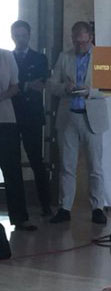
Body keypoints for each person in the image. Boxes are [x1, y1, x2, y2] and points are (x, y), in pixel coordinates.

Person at [48, 21, 109, 224]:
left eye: (82, 42)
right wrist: (65, 88)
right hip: (69, 116)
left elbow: (110, 88)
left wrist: (89, 91)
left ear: (90, 38)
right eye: (75, 41)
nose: (78, 45)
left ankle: (98, 208)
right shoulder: (65, 56)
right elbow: (51, 85)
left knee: (95, 166)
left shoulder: (101, 57)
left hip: (92, 116)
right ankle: (64, 208)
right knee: (66, 166)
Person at [10, 20, 52, 216]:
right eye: (17, 35)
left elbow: (40, 82)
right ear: (13, 37)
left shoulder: (40, 58)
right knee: (12, 163)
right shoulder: (6, 58)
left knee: (37, 161)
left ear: (29, 35)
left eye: (23, 35)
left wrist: (19, 87)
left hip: (32, 117)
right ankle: (18, 209)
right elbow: (7, 86)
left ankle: (45, 205)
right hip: (9, 117)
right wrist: (25, 85)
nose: (20, 38)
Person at [0, 48, 38, 231]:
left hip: (6, 119)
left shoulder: (6, 56)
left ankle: (20, 217)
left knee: (12, 170)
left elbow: (15, 86)